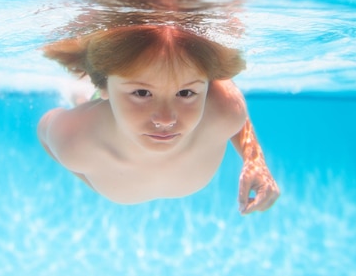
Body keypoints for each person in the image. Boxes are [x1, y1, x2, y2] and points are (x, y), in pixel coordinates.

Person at [37, 24, 280, 214]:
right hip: (99, 116)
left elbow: (231, 104)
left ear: (207, 88)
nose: (165, 119)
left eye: (185, 93)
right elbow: (44, 131)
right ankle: (85, 97)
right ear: (104, 85)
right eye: (142, 93)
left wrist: (255, 161)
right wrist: (90, 177)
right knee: (82, 99)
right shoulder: (75, 140)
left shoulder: (224, 108)